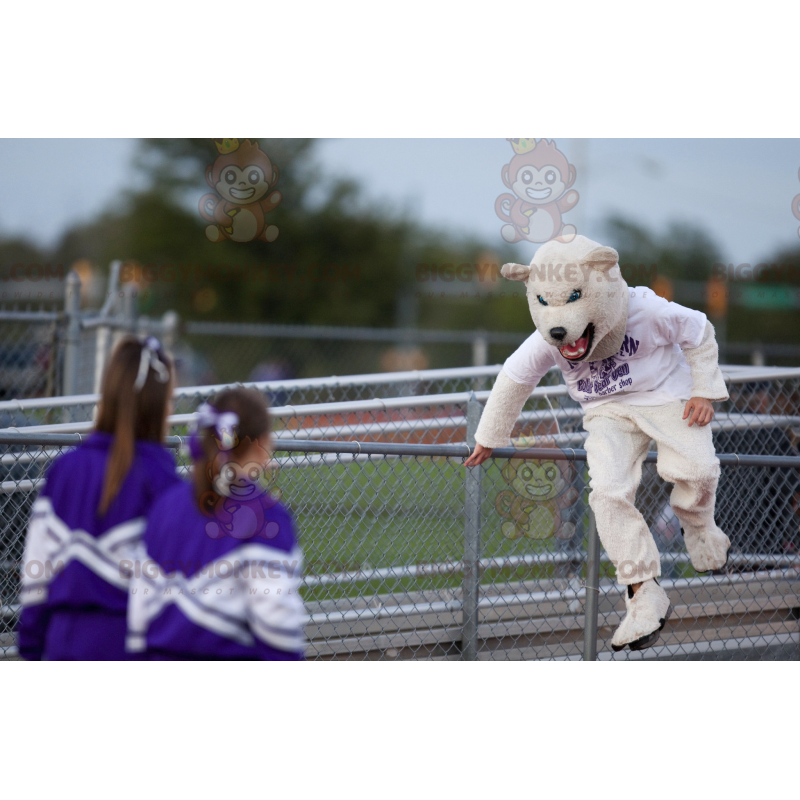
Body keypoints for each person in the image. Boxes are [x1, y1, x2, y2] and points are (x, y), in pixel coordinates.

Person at [465, 235, 731, 652]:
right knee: (606, 494)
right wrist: (489, 436)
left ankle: (698, 525)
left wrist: (704, 389)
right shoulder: (550, 339)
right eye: (547, 305)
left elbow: (699, 329)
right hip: (606, 410)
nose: (560, 327)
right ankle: (643, 594)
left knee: (695, 469)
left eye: (572, 300)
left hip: (668, 397)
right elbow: (515, 378)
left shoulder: (646, 310)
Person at [17, 336, 180, 660]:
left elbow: (36, 571)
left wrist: (33, 646)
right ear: (160, 405)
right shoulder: (163, 483)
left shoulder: (64, 470)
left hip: (60, 646)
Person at [126, 387, 306, 660]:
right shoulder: (266, 516)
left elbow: (139, 610)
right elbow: (276, 627)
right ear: (262, 443)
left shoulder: (165, 505)